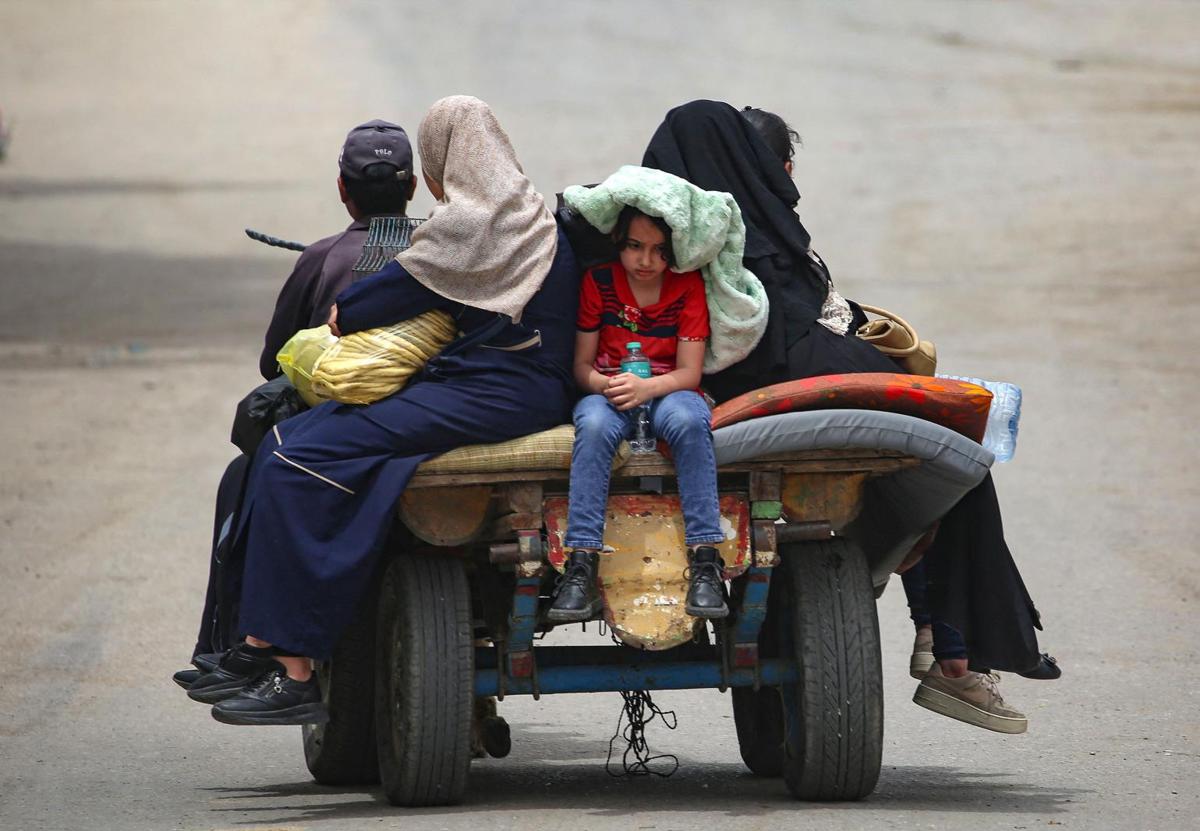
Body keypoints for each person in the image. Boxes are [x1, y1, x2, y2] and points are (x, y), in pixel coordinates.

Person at [643, 100, 1052, 734]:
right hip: (760, 418)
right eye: (780, 165)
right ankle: (949, 650)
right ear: (762, 168)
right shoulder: (754, 247)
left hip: (683, 415)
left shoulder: (641, 237)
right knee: (957, 454)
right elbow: (789, 342)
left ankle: (944, 644)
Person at [191, 96, 581, 725]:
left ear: (443, 161)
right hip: (512, 389)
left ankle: (291, 667)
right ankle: (262, 644)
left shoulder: (464, 227)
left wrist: (352, 314)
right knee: (316, 440)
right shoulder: (535, 219)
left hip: (490, 394)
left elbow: (365, 307)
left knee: (296, 451)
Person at [175, 119, 419, 688]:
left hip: (340, 433)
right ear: (413, 190)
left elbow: (274, 363)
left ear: (342, 189)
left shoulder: (323, 258)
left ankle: (236, 642)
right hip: (428, 415)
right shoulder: (444, 250)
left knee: (249, 470)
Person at [548, 206, 726, 622]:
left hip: (669, 389)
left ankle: (705, 561)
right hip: (609, 390)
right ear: (618, 244)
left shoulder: (687, 286)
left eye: (659, 250)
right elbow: (581, 367)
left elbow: (689, 371)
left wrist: (647, 388)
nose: (645, 261)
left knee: (688, 421)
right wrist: (604, 386)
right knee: (591, 425)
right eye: (635, 247)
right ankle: (581, 564)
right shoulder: (599, 283)